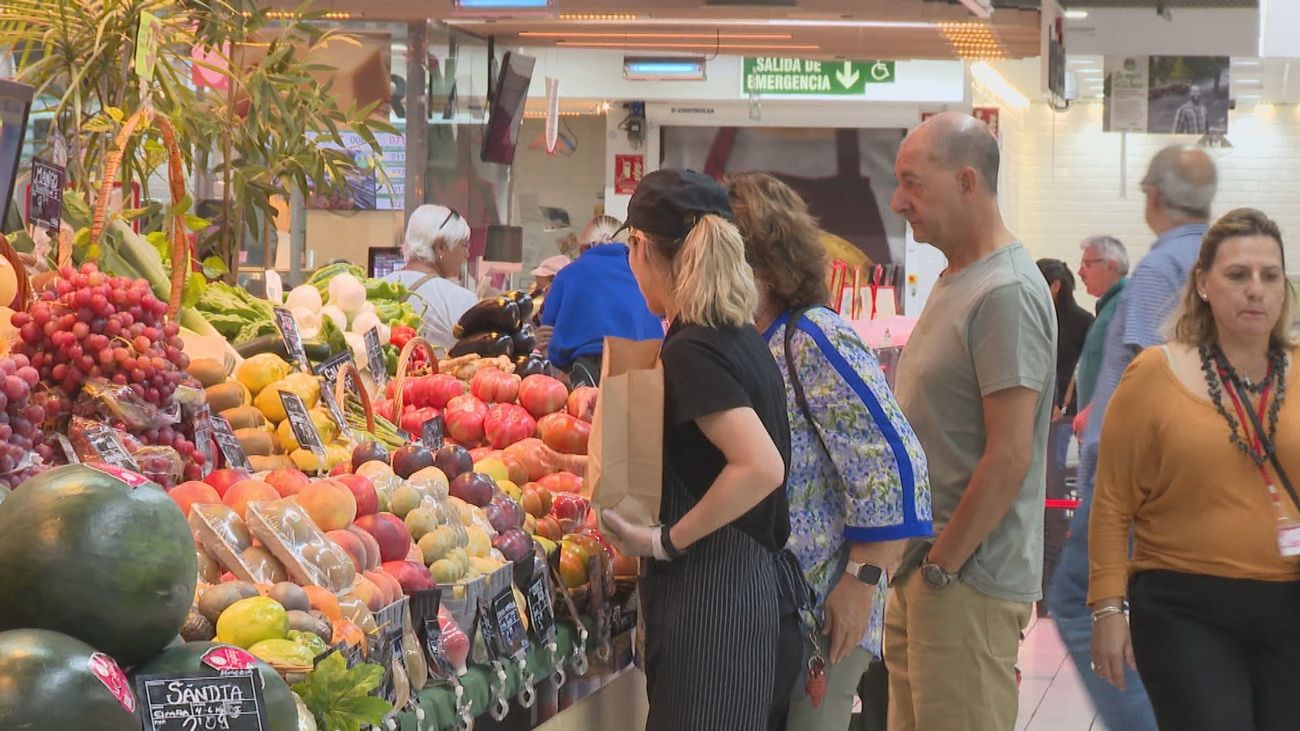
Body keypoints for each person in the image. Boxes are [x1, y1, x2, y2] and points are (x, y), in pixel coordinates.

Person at [726, 172, 933, 731]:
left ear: (760, 261)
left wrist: (860, 584)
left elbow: (894, 464)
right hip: (779, 612)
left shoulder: (813, 337)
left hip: (823, 609)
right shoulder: (755, 340)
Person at [598, 169, 800, 731]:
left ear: (639, 247)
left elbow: (761, 466)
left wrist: (664, 541)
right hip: (741, 593)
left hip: (715, 606)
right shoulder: (736, 337)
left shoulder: (694, 349)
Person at [1090, 208, 1300, 730]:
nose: (1255, 289)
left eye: (1269, 276)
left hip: (1291, 602)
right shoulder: (1155, 375)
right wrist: (1107, 610)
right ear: (1203, 283)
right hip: (1184, 606)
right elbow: (1113, 501)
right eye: (1237, 275)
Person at [885, 112, 1056, 731]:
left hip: (966, 579)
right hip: (927, 574)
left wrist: (944, 564)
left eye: (912, 183)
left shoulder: (1005, 291)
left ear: (966, 182)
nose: (899, 200)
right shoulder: (956, 278)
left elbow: (1010, 455)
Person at [1053, 144, 1216, 731]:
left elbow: (1152, 375)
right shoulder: (1212, 260)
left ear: (1153, 197)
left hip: (1131, 479)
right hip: (1183, 479)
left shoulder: (1158, 269)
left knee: (1080, 602)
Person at [538, 216, 663, 386]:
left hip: (584, 367)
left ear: (582, 247)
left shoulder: (568, 274)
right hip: (642, 368)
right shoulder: (642, 274)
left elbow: (547, 335)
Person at [1036, 258, 1094, 617]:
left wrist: (1066, 406)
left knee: (1052, 496)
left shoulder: (1079, 322)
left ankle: (1053, 588)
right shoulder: (1045, 318)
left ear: (1056, 286)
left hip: (1064, 424)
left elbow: (1084, 371)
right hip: (1050, 421)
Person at [383, 204, 477, 351]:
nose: (467, 254)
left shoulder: (378, 287)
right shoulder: (460, 300)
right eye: (464, 245)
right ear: (441, 246)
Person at [1074, 235, 1130, 411]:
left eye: (1087, 265)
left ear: (1112, 265)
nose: (1080, 272)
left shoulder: (1125, 304)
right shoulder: (1110, 306)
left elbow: (1129, 369)